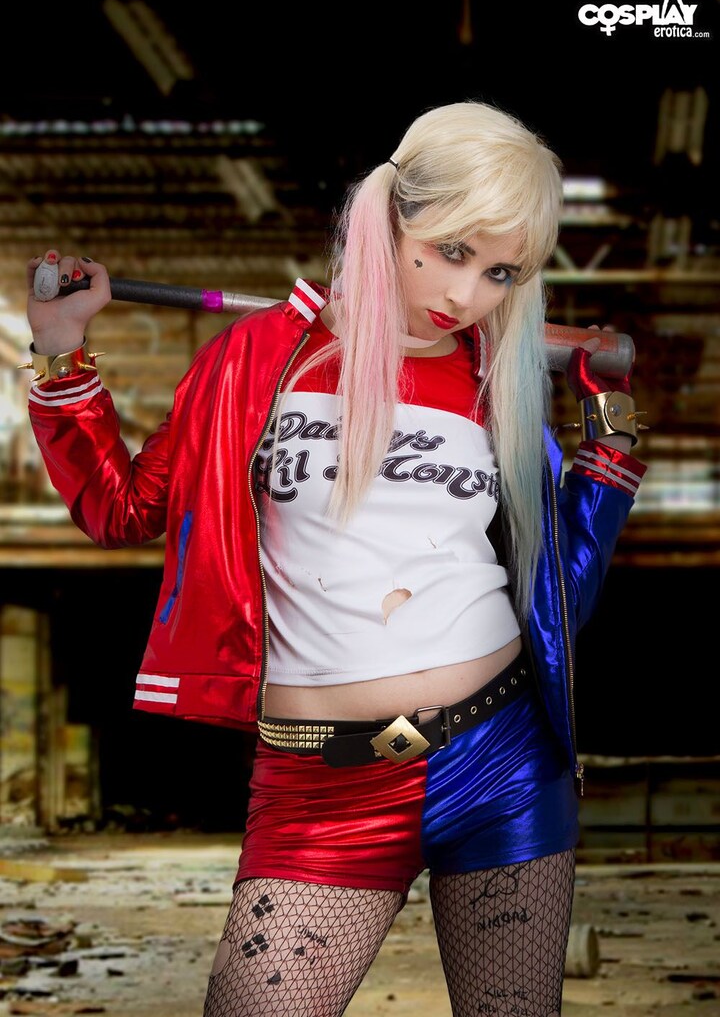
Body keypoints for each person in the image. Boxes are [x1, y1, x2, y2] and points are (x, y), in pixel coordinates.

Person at [23, 99, 647, 1017]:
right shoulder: (251, 361)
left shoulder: (498, 385)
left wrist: (609, 438)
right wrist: (59, 349)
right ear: (391, 216)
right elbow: (121, 509)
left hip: (501, 756)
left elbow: (560, 601)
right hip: (321, 787)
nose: (467, 294)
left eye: (501, 271)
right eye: (450, 251)